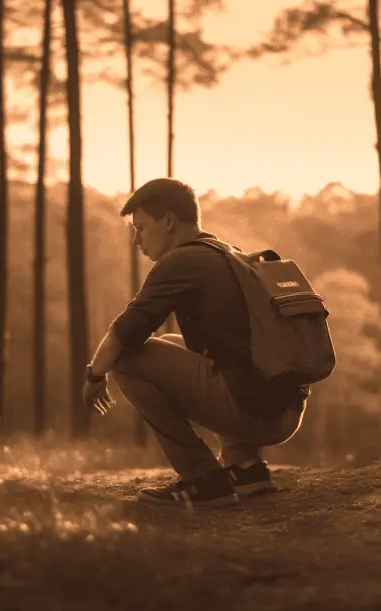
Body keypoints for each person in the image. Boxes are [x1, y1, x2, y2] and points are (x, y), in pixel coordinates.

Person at [83, 178, 312, 508]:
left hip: (254, 413)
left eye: (142, 228)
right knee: (175, 341)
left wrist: (94, 376)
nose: (137, 240)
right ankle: (246, 468)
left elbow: (123, 334)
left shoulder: (180, 262)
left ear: (170, 222)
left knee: (124, 359)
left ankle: (202, 479)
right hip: (286, 410)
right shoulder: (225, 253)